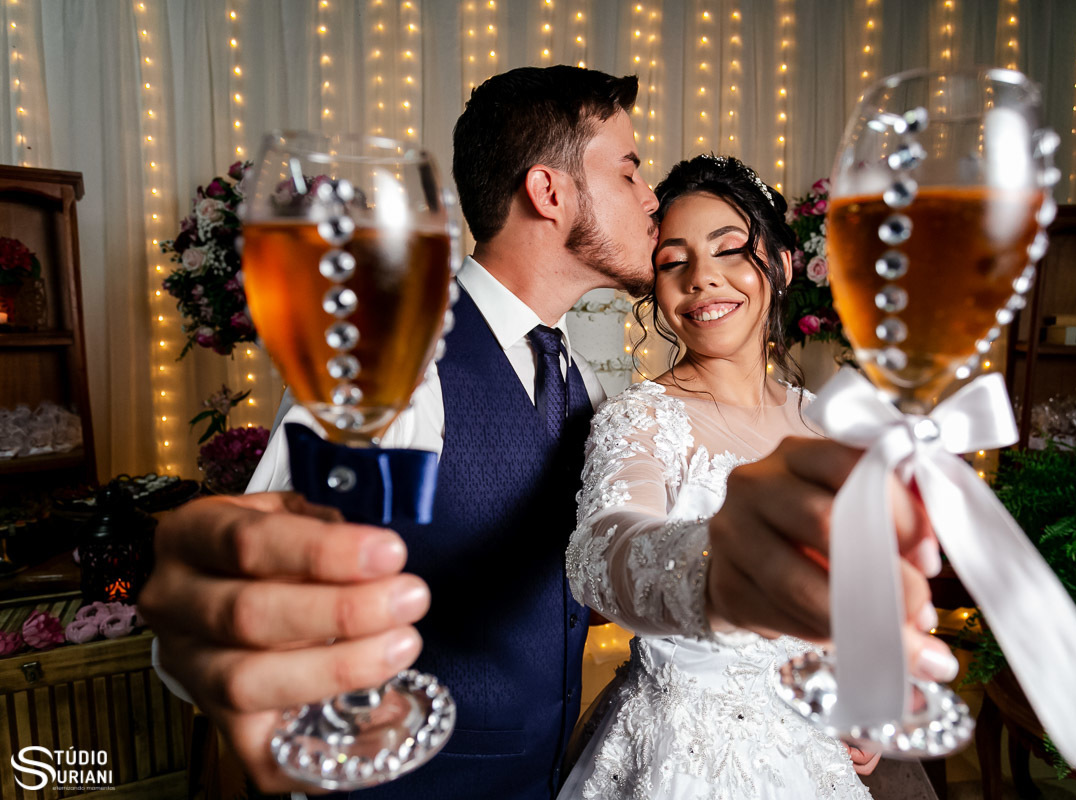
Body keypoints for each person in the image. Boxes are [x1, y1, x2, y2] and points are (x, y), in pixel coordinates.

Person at [140, 67, 952, 799]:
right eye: (630, 169)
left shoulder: (588, 387)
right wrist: (211, 641)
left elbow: (585, 580)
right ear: (550, 192)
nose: (648, 197)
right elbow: (254, 583)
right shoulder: (402, 359)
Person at [558, 154, 945, 799]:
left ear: (785, 264)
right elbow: (602, 551)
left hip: (813, 744)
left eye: (729, 249)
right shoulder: (641, 419)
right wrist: (720, 570)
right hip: (684, 753)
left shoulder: (827, 423)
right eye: (673, 261)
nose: (702, 279)